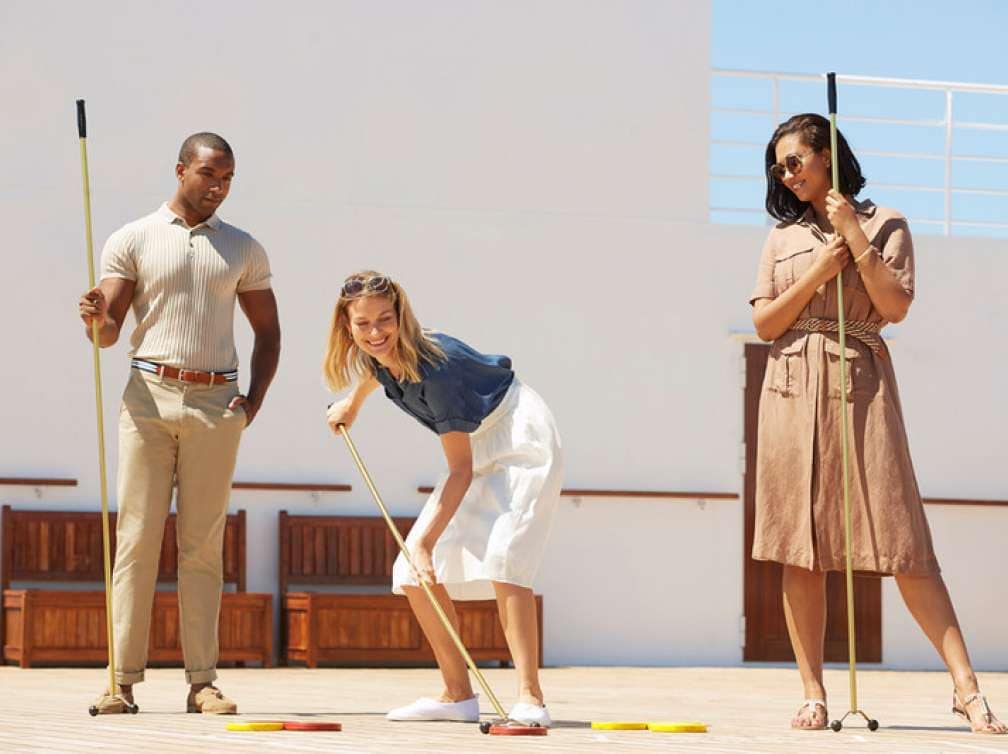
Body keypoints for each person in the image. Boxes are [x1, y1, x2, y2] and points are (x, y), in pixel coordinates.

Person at [749, 113, 1005, 734]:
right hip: (787, 390)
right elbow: (763, 325)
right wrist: (819, 270)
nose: (787, 174)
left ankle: (966, 688)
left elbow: (894, 306)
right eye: (779, 167)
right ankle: (813, 692)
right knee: (797, 547)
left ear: (826, 156)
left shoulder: (887, 222)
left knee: (904, 540)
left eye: (795, 160)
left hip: (860, 386)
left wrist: (852, 238)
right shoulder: (780, 239)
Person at [78, 132, 280, 714]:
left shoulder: (243, 248)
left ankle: (202, 682)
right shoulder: (133, 238)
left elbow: (268, 332)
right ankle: (120, 683)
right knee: (136, 541)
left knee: (202, 546)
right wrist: (93, 317)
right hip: (147, 398)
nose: (218, 187)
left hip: (217, 404)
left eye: (228, 178)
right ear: (180, 171)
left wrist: (254, 401)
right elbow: (108, 331)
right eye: (209, 174)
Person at [324, 272, 561, 727]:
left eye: (385, 320)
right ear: (347, 326)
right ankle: (457, 696)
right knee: (411, 574)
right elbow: (376, 373)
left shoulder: (437, 369)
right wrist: (353, 404)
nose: (375, 333)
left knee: (505, 558)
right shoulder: (378, 355)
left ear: (402, 315)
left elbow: (461, 470)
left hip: (518, 435)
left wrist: (426, 542)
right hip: (475, 443)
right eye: (363, 324)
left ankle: (531, 699)